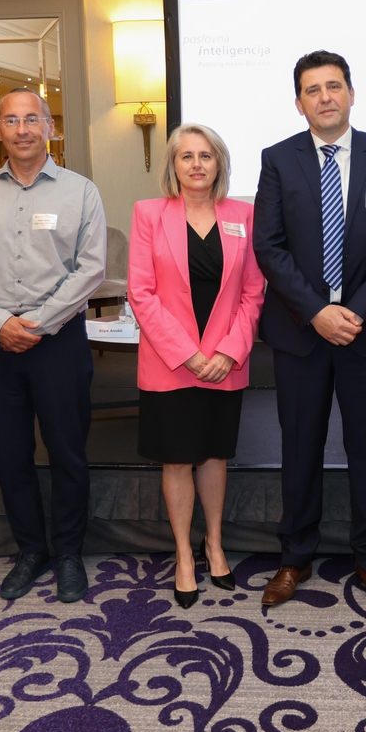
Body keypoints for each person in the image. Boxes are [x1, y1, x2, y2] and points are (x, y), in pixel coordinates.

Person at [253, 50, 366, 611]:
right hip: (300, 333)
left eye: (333, 86)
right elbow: (269, 247)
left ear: (351, 93)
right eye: (312, 89)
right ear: (298, 103)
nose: (324, 97)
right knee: (299, 447)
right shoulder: (278, 159)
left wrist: (355, 311)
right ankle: (295, 556)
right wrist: (318, 311)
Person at [0, 88, 107, 603]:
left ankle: (69, 553)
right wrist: (0, 323)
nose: (22, 129)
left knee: (68, 452)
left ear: (49, 128)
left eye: (32, 119)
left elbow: (90, 269)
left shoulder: (80, 191)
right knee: (10, 454)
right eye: (11, 120)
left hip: (58, 341)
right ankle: (30, 550)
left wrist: (36, 323)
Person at [128, 125, 265, 607]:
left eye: (206, 156)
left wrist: (229, 351)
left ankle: (215, 544)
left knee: (213, 454)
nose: (197, 164)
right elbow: (141, 293)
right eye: (186, 156)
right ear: (174, 165)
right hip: (171, 362)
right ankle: (184, 555)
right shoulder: (149, 213)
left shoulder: (243, 215)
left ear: (219, 163)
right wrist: (187, 354)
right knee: (177, 457)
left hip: (225, 360)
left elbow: (253, 292)